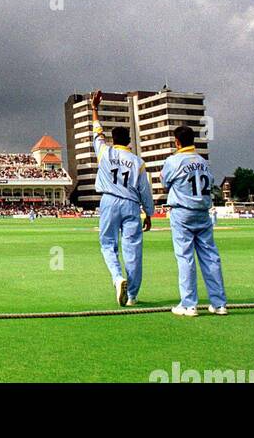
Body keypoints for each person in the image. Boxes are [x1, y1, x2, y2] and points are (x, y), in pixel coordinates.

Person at [88, 90, 154, 306]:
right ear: (129, 142)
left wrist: (94, 108)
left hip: (109, 201)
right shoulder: (137, 162)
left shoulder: (104, 152)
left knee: (107, 243)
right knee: (133, 249)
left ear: (113, 140)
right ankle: (133, 295)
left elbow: (97, 133)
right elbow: (145, 191)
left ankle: (117, 278)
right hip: (131, 205)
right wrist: (149, 213)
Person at [161, 125, 228, 317]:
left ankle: (189, 304)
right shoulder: (203, 161)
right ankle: (219, 303)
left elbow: (165, 182)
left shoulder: (173, 160)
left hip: (183, 212)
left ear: (177, 142)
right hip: (203, 211)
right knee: (210, 257)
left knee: (185, 257)